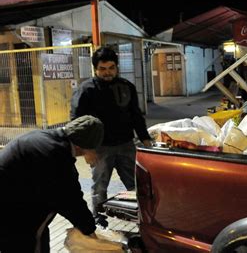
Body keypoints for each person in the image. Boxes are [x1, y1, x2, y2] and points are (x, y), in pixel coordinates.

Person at [70, 46, 152, 227]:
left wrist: (146, 140)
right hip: (99, 148)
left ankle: (141, 218)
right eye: (102, 69)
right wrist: (87, 150)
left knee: (135, 184)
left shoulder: (126, 87)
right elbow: (76, 121)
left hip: (126, 145)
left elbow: (136, 116)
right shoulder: (86, 90)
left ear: (116, 67)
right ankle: (99, 221)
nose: (107, 73)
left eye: (111, 68)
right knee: (100, 187)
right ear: (95, 69)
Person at [0, 115, 104, 253]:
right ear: (83, 146)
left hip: (15, 201)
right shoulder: (55, 154)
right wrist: (90, 231)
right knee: (26, 243)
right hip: (13, 211)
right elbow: (70, 199)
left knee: (38, 237)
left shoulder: (50, 139)